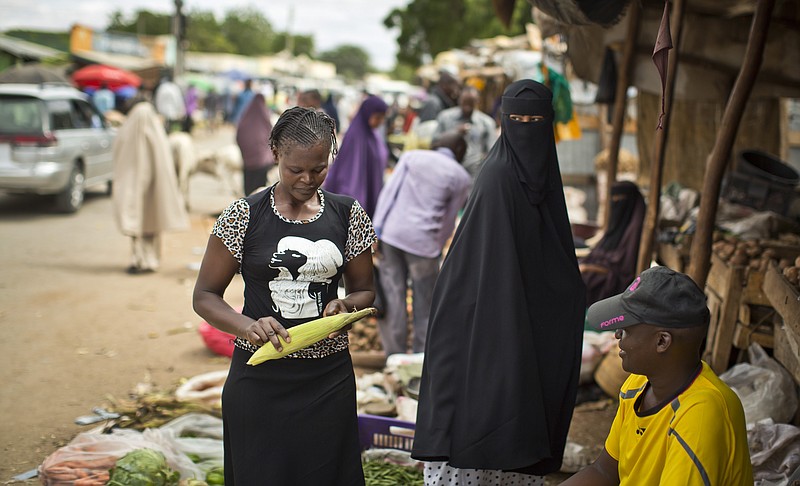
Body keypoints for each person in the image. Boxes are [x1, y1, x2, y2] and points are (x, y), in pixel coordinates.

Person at [411, 80, 586, 484]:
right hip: (483, 324)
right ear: (504, 123)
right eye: (518, 120)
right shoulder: (497, 179)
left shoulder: (544, 178)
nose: (527, 129)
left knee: (519, 411)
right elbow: (488, 273)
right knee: (488, 408)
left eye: (536, 121)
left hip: (520, 318)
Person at [192, 106, 376, 485]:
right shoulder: (244, 216)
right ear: (275, 153)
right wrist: (247, 325)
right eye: (296, 169)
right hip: (260, 381)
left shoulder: (348, 215)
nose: (308, 179)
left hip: (328, 380)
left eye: (319, 168)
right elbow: (205, 296)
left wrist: (346, 306)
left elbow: (366, 290)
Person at [562, 266, 752, 485]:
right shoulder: (638, 384)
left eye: (627, 328)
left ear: (662, 341)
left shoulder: (701, 413)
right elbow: (604, 471)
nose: (617, 334)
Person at [372, 131, 471, 358]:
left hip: (392, 235)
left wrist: (376, 229)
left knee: (393, 294)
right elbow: (449, 218)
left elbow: (389, 193)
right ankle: (421, 356)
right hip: (423, 244)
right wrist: (436, 245)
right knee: (424, 303)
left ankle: (394, 356)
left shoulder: (412, 157)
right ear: (459, 153)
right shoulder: (461, 176)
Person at [111, 100, 189, 274]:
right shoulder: (156, 133)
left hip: (136, 189)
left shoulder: (128, 133)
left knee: (138, 225)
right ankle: (147, 260)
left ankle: (141, 260)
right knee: (150, 226)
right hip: (153, 189)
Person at [579, 180, 646, 306]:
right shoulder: (615, 228)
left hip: (609, 284)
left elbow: (622, 272)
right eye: (613, 198)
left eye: (619, 198)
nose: (615, 202)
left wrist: (587, 268)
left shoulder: (633, 233)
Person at [323, 95, 389, 218]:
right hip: (356, 201)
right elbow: (349, 176)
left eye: (382, 118)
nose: (380, 122)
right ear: (368, 114)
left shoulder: (373, 135)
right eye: (378, 117)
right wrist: (353, 209)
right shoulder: (356, 136)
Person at [433, 86, 498, 180]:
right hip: (446, 170)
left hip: (473, 175)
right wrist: (454, 133)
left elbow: (492, 151)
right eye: (465, 102)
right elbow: (434, 142)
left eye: (471, 103)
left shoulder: (486, 123)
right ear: (459, 100)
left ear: (477, 102)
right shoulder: (445, 117)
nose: (467, 106)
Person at [235, 93, 274, 196]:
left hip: (247, 162)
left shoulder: (244, 119)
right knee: (260, 192)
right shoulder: (265, 118)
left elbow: (238, 137)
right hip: (262, 163)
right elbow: (271, 137)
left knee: (249, 191)